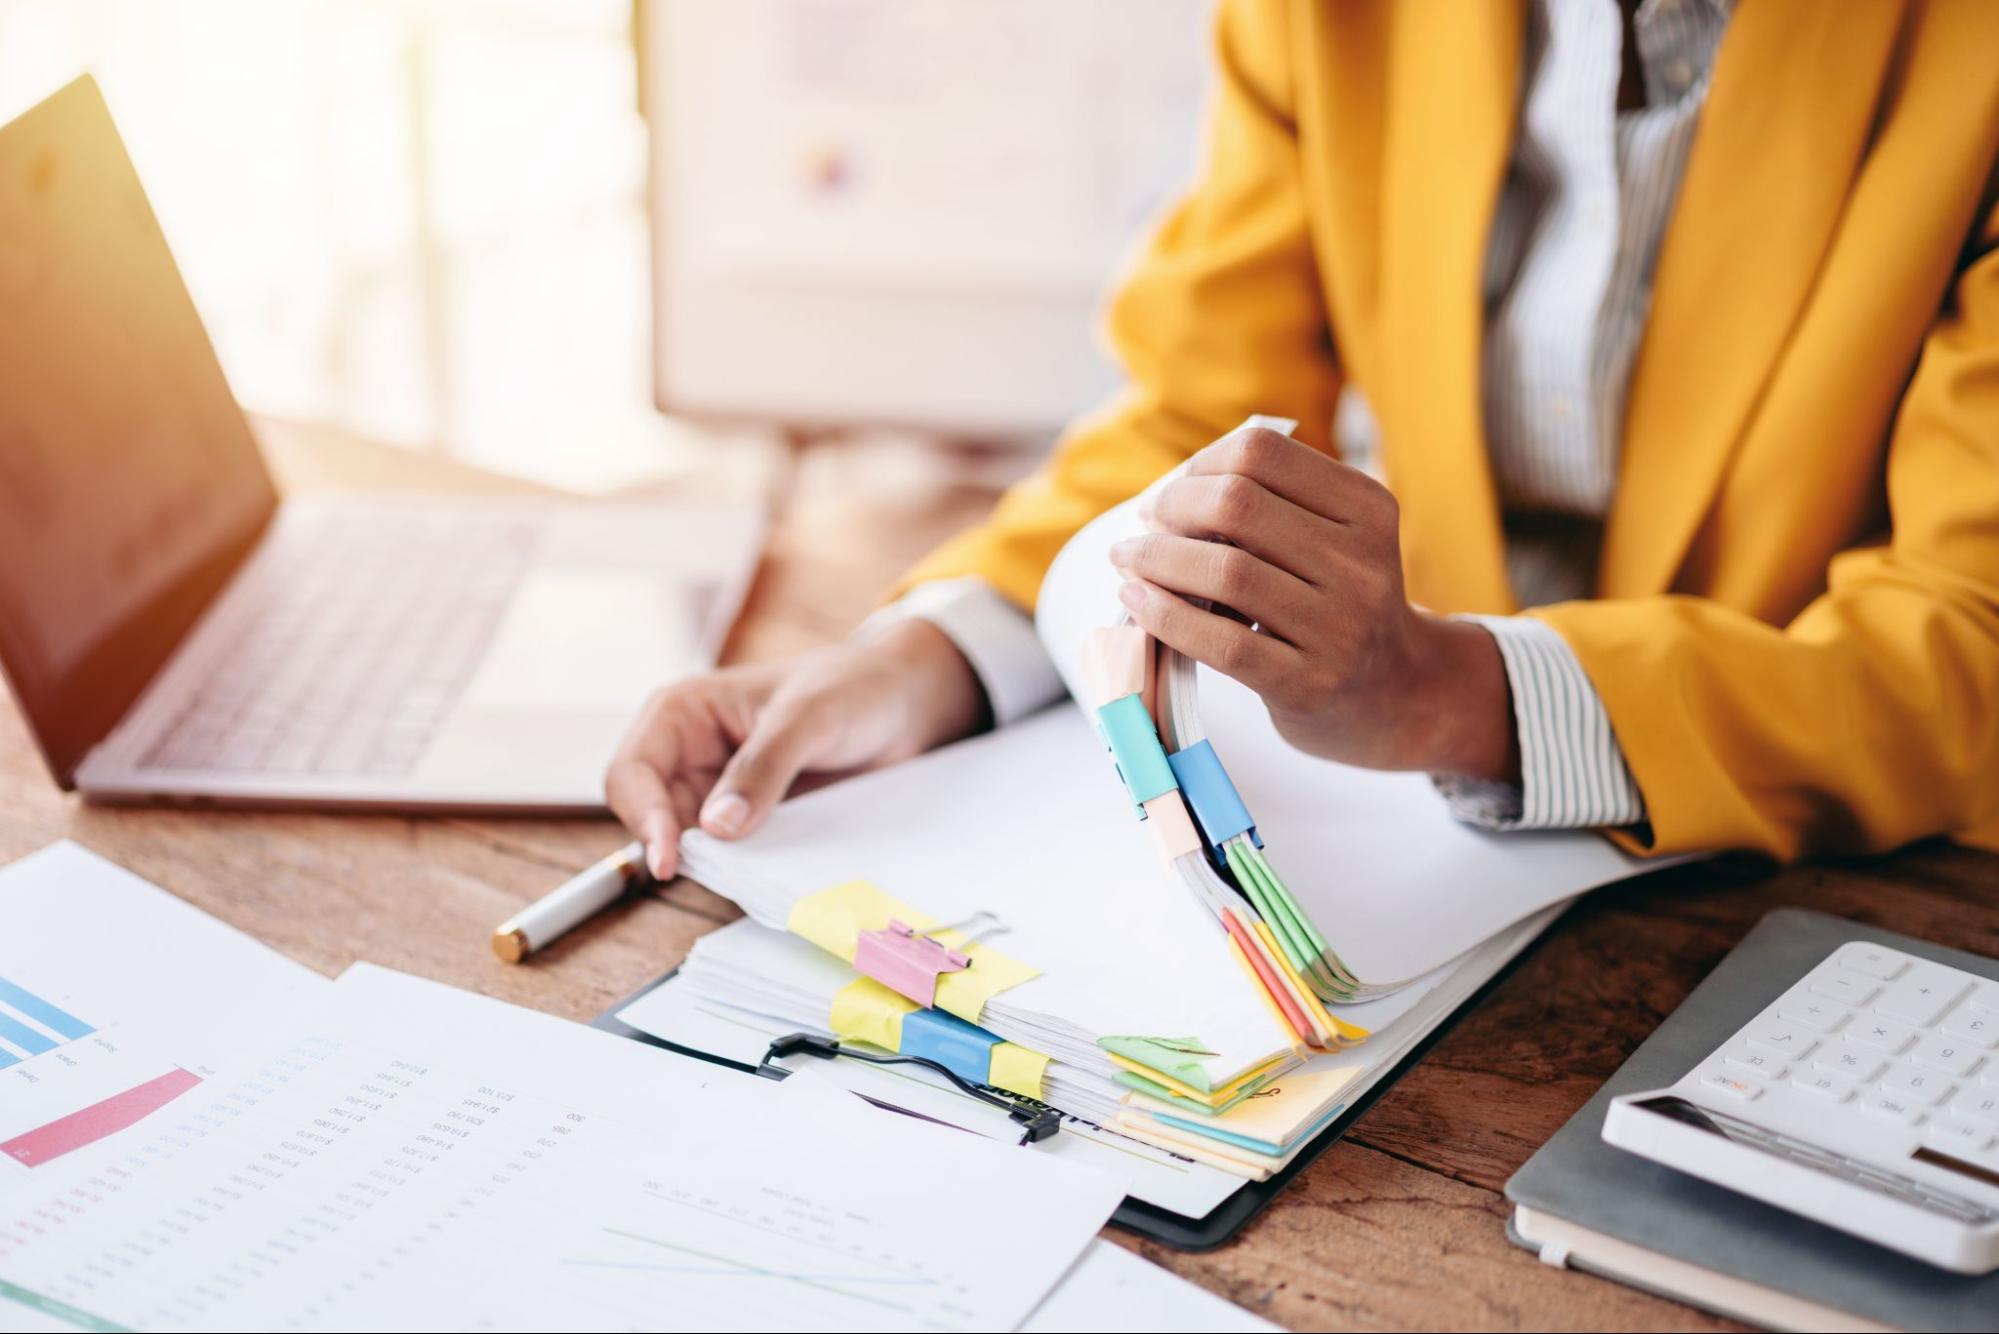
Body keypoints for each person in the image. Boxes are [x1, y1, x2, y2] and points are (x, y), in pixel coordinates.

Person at [607, 0, 1999, 879]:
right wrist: (919, 660)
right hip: (1401, 855)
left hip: (1811, 878)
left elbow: (1971, 640)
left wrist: (1449, 693)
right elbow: (1195, 420)